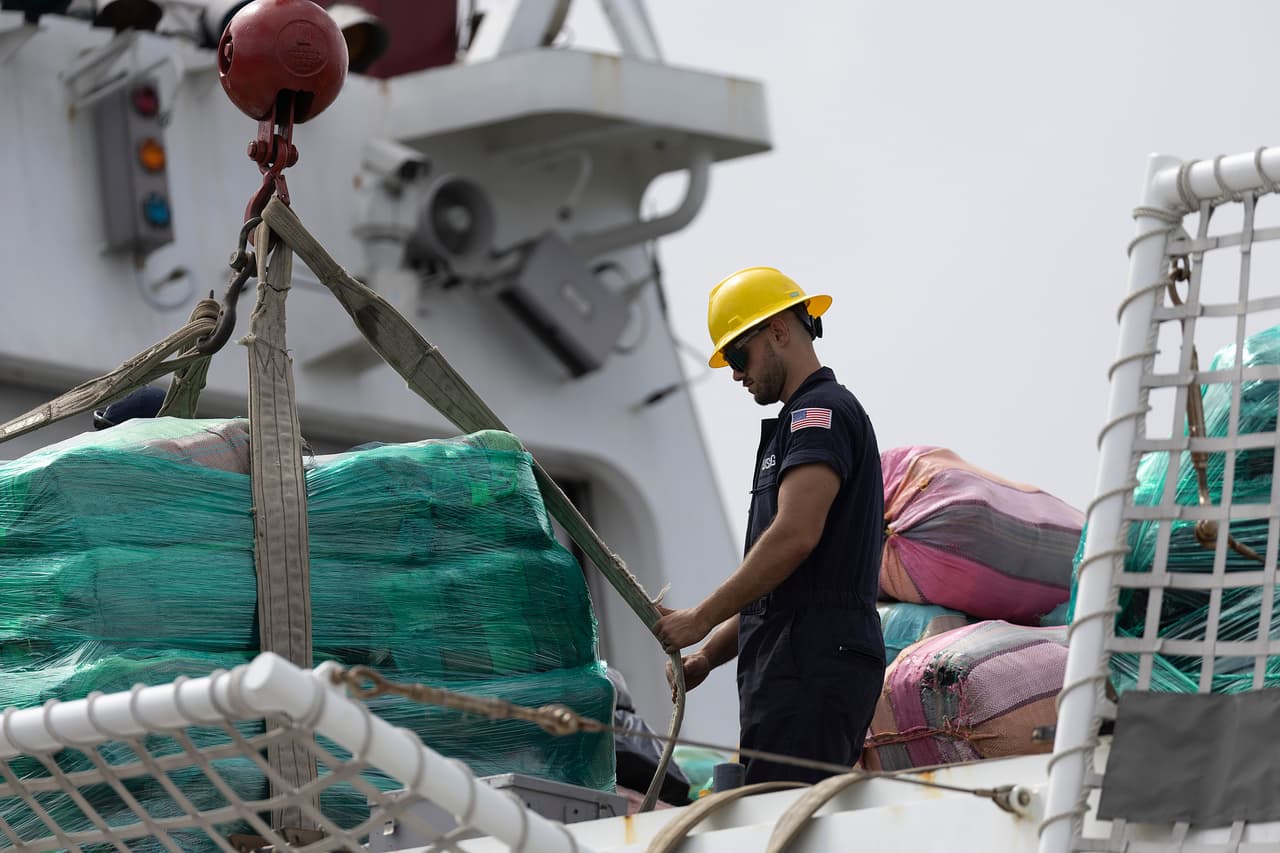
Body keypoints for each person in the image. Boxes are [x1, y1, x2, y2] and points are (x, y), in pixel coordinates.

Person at [653, 266, 885, 784]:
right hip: (794, 664)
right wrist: (707, 656)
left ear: (779, 330)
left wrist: (700, 617)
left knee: (781, 818)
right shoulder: (800, 423)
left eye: (738, 355)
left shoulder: (818, 414)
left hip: (810, 663)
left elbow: (794, 538)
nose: (736, 373)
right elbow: (777, 584)